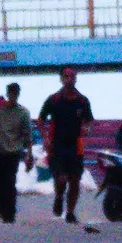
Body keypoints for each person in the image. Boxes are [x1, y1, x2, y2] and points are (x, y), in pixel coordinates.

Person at [38, 68, 92, 222]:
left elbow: (89, 120)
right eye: (66, 76)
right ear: (61, 79)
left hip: (76, 145)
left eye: (72, 76)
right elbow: (41, 119)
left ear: (76, 79)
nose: (69, 79)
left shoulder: (82, 101)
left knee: (75, 179)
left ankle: (70, 212)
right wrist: (45, 138)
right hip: (57, 145)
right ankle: (59, 196)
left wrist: (87, 128)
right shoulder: (54, 100)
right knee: (61, 179)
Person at [0, 84, 31, 224]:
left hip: (13, 151)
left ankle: (9, 213)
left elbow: (27, 134)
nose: (13, 96)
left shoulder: (23, 112)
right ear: (7, 93)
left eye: (15, 93)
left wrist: (29, 154)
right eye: (11, 93)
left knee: (10, 181)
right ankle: (1, 208)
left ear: (18, 94)